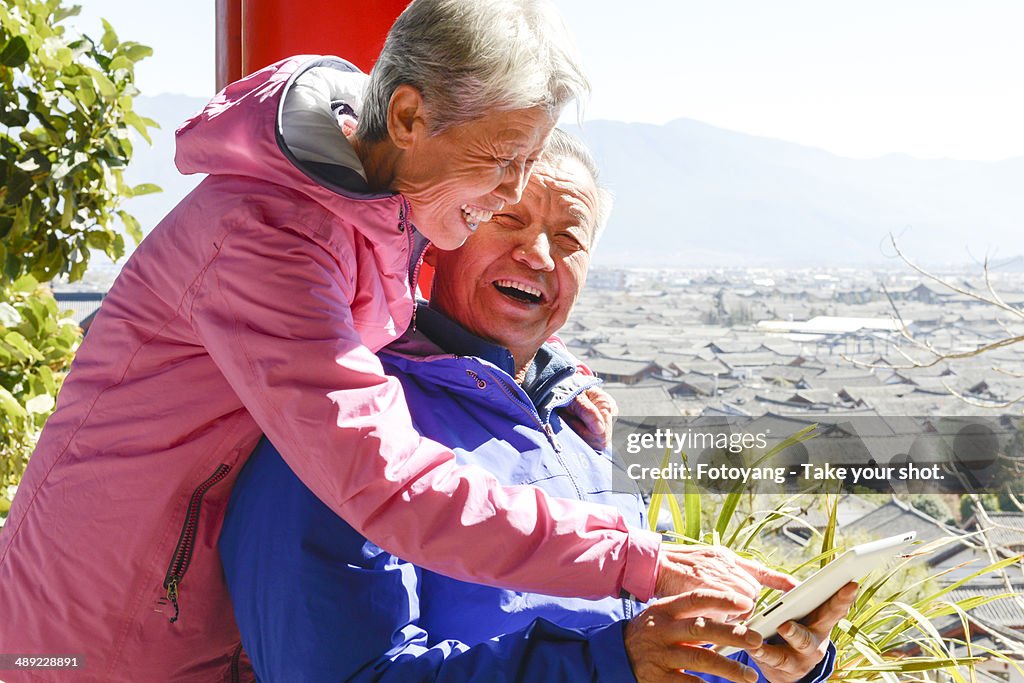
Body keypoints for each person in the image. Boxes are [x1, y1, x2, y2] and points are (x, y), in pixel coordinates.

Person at [0, 1, 794, 681]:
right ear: (410, 116)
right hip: (96, 631)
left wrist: (541, 386)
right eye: (504, 164)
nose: (511, 196)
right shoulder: (264, 236)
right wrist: (635, 557)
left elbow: (421, 344)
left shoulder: (383, 206)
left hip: (192, 613)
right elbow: (384, 481)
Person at [219, 130, 855, 682]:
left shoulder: (582, 427)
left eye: (569, 237)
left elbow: (654, 648)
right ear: (438, 237)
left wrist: (769, 659)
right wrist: (610, 666)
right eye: (508, 220)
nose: (540, 256)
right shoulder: (352, 418)